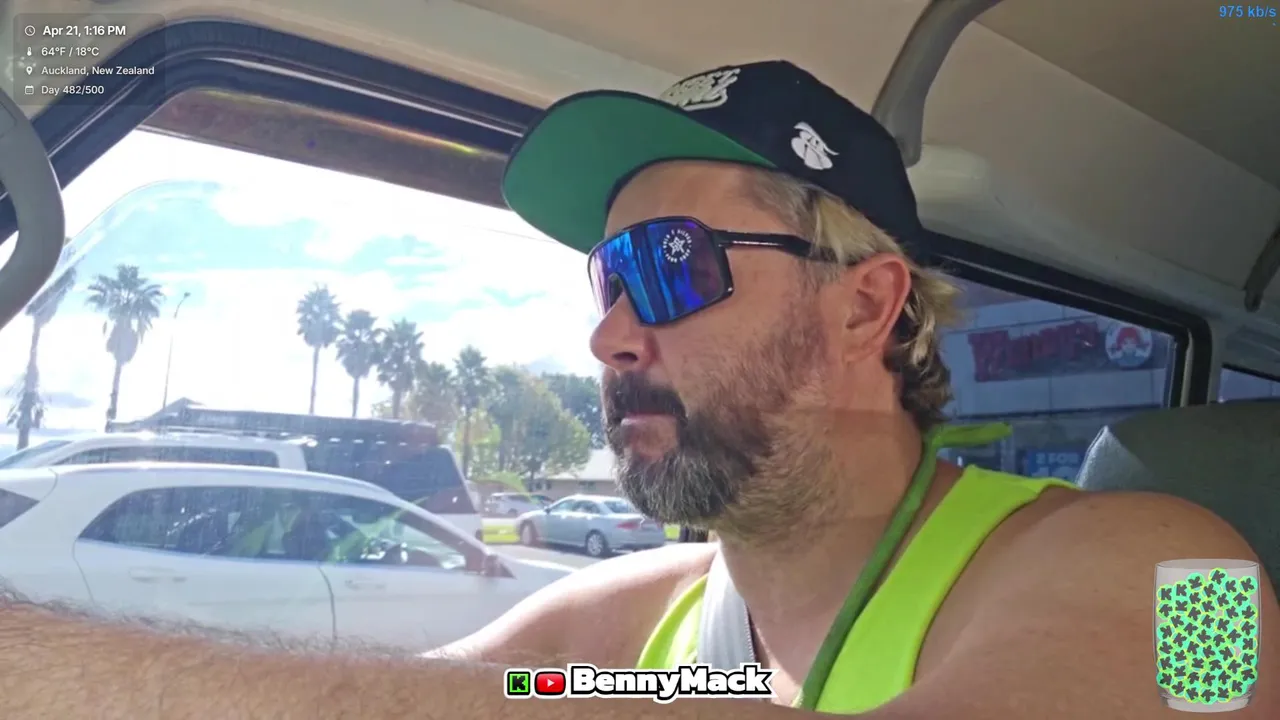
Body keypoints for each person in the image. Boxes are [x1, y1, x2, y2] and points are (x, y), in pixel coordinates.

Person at [0, 60, 1274, 719]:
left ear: (863, 304)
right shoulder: (638, 649)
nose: (609, 331)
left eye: (668, 265)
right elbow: (466, 702)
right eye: (605, 278)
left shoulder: (1184, 569)